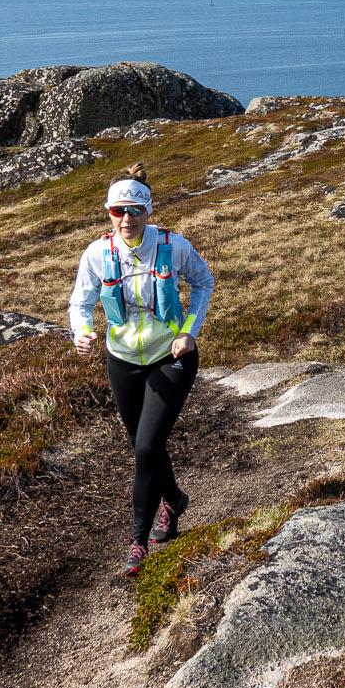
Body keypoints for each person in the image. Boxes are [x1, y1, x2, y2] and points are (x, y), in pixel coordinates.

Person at [67, 161, 214, 577]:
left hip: (172, 357)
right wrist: (81, 331)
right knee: (142, 447)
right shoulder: (97, 253)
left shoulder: (172, 245)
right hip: (123, 361)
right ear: (108, 212)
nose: (127, 219)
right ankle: (174, 498)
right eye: (118, 211)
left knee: (147, 448)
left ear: (149, 210)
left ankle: (138, 539)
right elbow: (80, 301)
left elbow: (204, 282)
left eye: (135, 210)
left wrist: (190, 331)